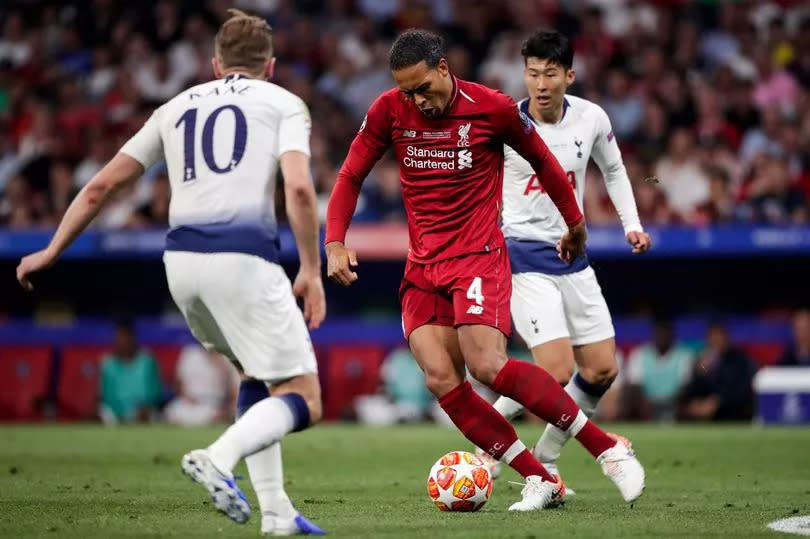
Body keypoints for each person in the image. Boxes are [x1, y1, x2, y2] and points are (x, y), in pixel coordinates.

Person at [16, 10, 326, 536]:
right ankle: (218, 457)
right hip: (243, 259)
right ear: (270, 66)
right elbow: (297, 188)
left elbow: (99, 187)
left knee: (256, 375)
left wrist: (50, 250)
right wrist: (311, 269)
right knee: (306, 396)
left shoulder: (175, 107)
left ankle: (276, 515)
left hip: (180, 265)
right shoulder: (282, 103)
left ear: (214, 63)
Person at [325, 29, 644, 511]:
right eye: (407, 91)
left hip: (478, 257)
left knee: (487, 366)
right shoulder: (389, 110)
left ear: (443, 69)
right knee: (441, 380)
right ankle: (542, 480)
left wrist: (576, 224)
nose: (418, 100)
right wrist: (333, 241)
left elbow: (545, 162)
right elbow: (350, 174)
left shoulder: (492, 109)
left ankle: (605, 447)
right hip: (423, 266)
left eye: (423, 88)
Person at [488, 30, 651, 488]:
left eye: (550, 73)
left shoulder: (591, 119)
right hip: (521, 254)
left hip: (574, 256)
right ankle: (486, 445)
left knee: (601, 368)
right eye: (532, 73)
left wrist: (631, 224)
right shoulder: (504, 124)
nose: (540, 83)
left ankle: (548, 454)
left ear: (569, 76)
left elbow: (614, 169)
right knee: (556, 370)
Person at [679, 322, 756, 421]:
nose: (715, 340)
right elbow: (695, 389)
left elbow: (740, 391)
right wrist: (701, 372)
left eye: (718, 336)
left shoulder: (740, 361)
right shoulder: (703, 361)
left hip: (732, 411)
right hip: (704, 410)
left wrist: (717, 401)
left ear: (726, 338)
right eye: (712, 337)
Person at [624, 317, 695, 421]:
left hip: (674, 405)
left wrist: (670, 404)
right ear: (654, 334)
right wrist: (645, 403)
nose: (662, 337)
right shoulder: (639, 354)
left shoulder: (684, 355)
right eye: (659, 333)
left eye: (665, 333)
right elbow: (635, 384)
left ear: (672, 335)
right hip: (646, 405)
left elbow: (685, 386)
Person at [98, 319, 163, 424]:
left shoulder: (147, 361)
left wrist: (145, 407)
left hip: (144, 411)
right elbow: (106, 396)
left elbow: (155, 392)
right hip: (115, 414)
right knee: (103, 413)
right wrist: (119, 413)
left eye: (127, 339)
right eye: (120, 339)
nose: (124, 343)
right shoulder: (108, 364)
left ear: (133, 339)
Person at [164, 345, 239, 427]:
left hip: (214, 404)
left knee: (215, 417)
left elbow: (234, 389)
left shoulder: (227, 357)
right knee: (172, 413)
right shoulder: (191, 354)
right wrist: (185, 396)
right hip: (189, 402)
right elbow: (179, 382)